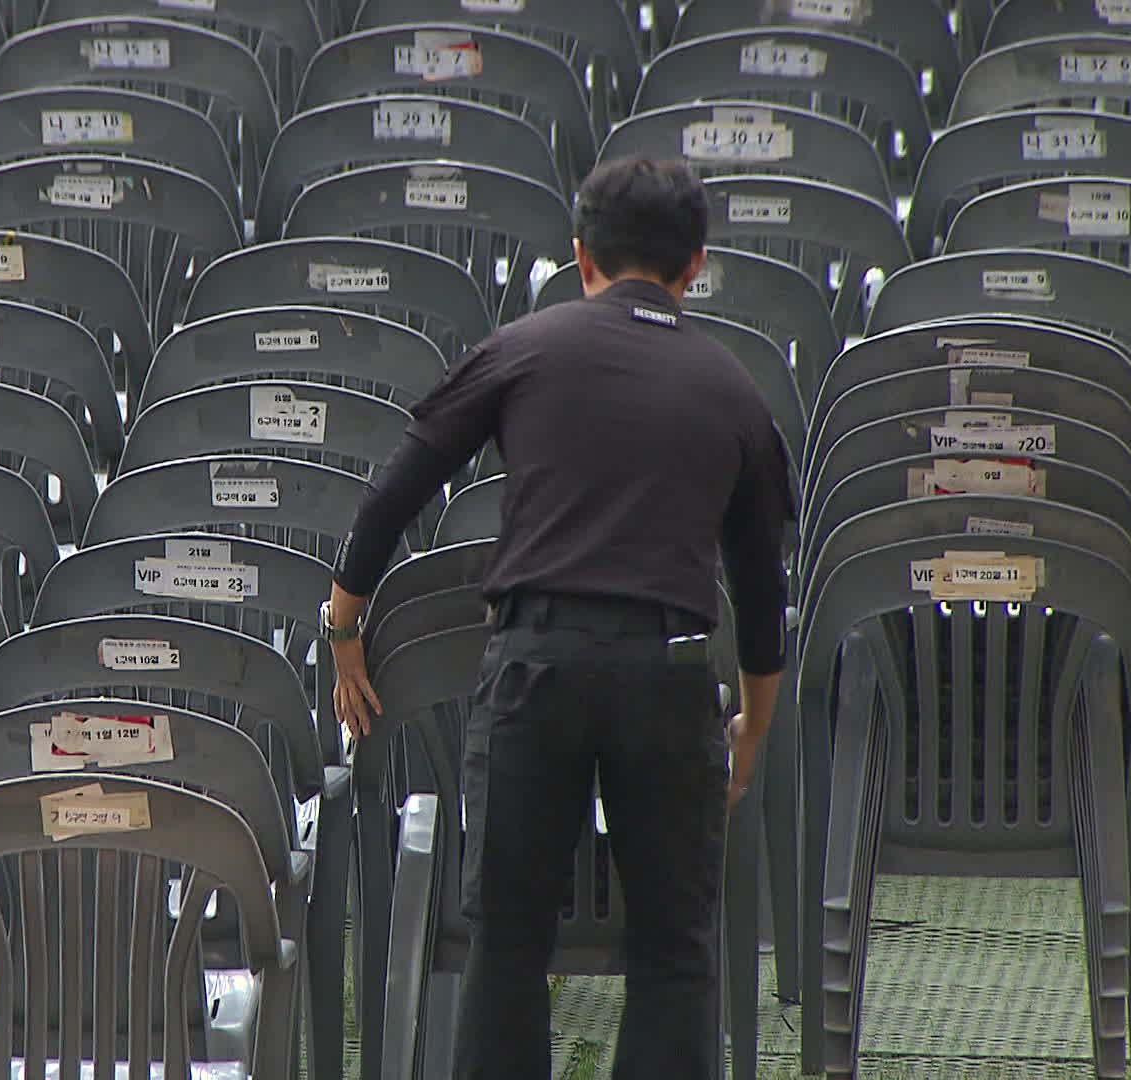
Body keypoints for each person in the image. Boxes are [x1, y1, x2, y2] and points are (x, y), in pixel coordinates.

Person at [317, 157, 793, 1078]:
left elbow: (393, 496)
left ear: (581, 257)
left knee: (506, 943)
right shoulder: (736, 390)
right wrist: (755, 725)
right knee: (675, 950)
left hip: (536, 667)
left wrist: (345, 628)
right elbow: (762, 587)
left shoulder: (522, 348)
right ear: (695, 266)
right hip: (669, 671)